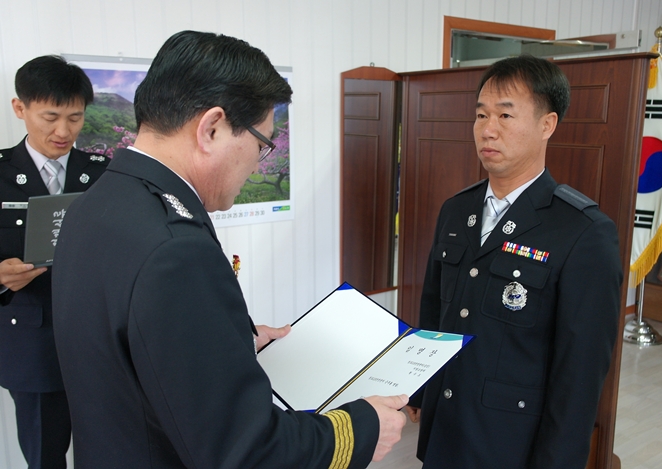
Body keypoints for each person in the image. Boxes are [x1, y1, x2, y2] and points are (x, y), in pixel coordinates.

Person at [51, 30, 407, 469]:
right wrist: (364, 427)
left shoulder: (94, 204)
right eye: (261, 144)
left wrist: (228, 342)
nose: (258, 163)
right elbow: (245, 452)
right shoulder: (176, 249)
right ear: (212, 128)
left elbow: (128, 347)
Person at [406, 55, 623, 468]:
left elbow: (580, 375)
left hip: (510, 443)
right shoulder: (457, 210)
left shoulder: (582, 231)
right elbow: (434, 310)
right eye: (481, 115)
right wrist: (419, 388)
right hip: (446, 426)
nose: (488, 129)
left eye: (506, 115)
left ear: (547, 125)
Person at [0, 55, 109, 469]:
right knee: (45, 458)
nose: (63, 132)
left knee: (113, 450)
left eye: (75, 118)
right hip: (32, 346)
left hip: (100, 343)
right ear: (20, 108)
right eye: (50, 117)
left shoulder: (103, 173)